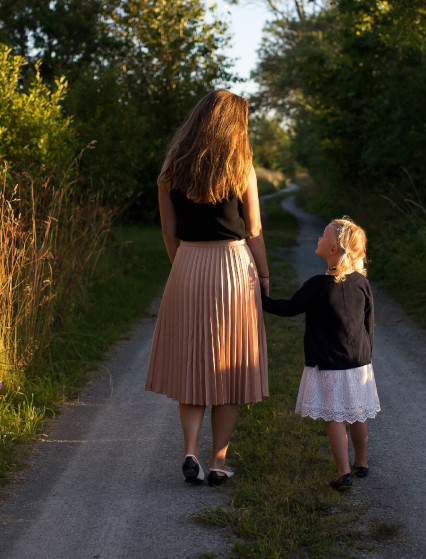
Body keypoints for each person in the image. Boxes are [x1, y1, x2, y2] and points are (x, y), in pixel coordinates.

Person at [145, 90, 270, 487]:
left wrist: (183, 265)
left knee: (193, 364)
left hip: (188, 264)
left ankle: (190, 451)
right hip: (233, 266)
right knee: (229, 366)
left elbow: (168, 230)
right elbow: (253, 230)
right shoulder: (241, 166)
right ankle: (218, 461)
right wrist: (264, 277)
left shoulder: (171, 169)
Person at [261, 216, 380, 490]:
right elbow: (368, 322)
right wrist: (366, 355)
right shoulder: (362, 282)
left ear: (333, 250)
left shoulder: (317, 285)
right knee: (358, 413)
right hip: (359, 361)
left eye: (322, 236)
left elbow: (288, 308)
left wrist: (259, 298)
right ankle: (362, 463)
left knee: (336, 417)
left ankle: (343, 472)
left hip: (329, 362)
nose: (318, 238)